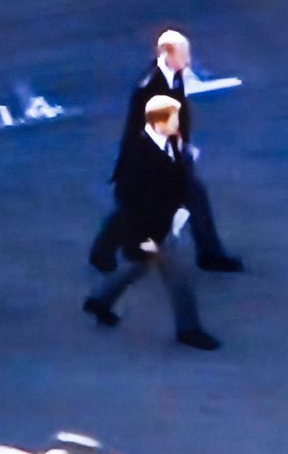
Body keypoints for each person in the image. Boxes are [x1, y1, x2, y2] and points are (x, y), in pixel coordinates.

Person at [89, 30, 243, 274]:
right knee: (139, 204)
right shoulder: (151, 85)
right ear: (168, 53)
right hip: (149, 156)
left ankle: (209, 253)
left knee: (191, 196)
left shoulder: (172, 76)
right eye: (184, 54)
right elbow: (150, 125)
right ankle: (103, 250)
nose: (188, 59)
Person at [83, 95, 221, 351]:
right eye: (174, 119)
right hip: (147, 227)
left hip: (159, 222)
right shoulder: (141, 153)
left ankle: (101, 300)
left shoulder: (168, 145)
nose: (178, 124)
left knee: (139, 267)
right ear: (159, 122)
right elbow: (128, 196)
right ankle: (188, 329)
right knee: (176, 275)